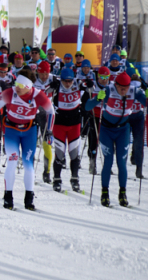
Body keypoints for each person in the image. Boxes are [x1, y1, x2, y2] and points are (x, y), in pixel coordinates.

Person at [0, 75, 55, 211]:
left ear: (28, 88)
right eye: (16, 85)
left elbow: (51, 111)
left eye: (21, 87)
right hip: (12, 131)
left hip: (29, 131)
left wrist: (49, 130)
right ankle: (8, 197)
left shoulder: (38, 95)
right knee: (12, 161)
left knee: (28, 164)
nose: (17, 88)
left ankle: (29, 199)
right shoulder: (9, 93)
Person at [85, 71, 147, 207]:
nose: (124, 90)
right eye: (121, 87)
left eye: (126, 87)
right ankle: (105, 192)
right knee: (108, 161)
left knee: (121, 162)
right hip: (106, 130)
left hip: (123, 130)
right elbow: (87, 106)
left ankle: (122, 193)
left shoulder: (134, 91)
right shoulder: (108, 89)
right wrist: (97, 99)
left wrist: (146, 94)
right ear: (116, 85)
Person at [49, 66, 85, 193]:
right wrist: (51, 86)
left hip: (74, 124)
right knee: (60, 153)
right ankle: (57, 179)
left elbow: (91, 86)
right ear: (61, 79)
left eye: (70, 81)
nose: (68, 84)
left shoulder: (78, 83)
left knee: (74, 153)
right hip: (59, 124)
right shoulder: (57, 85)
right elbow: (44, 93)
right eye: (65, 81)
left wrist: (91, 84)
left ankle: (75, 179)